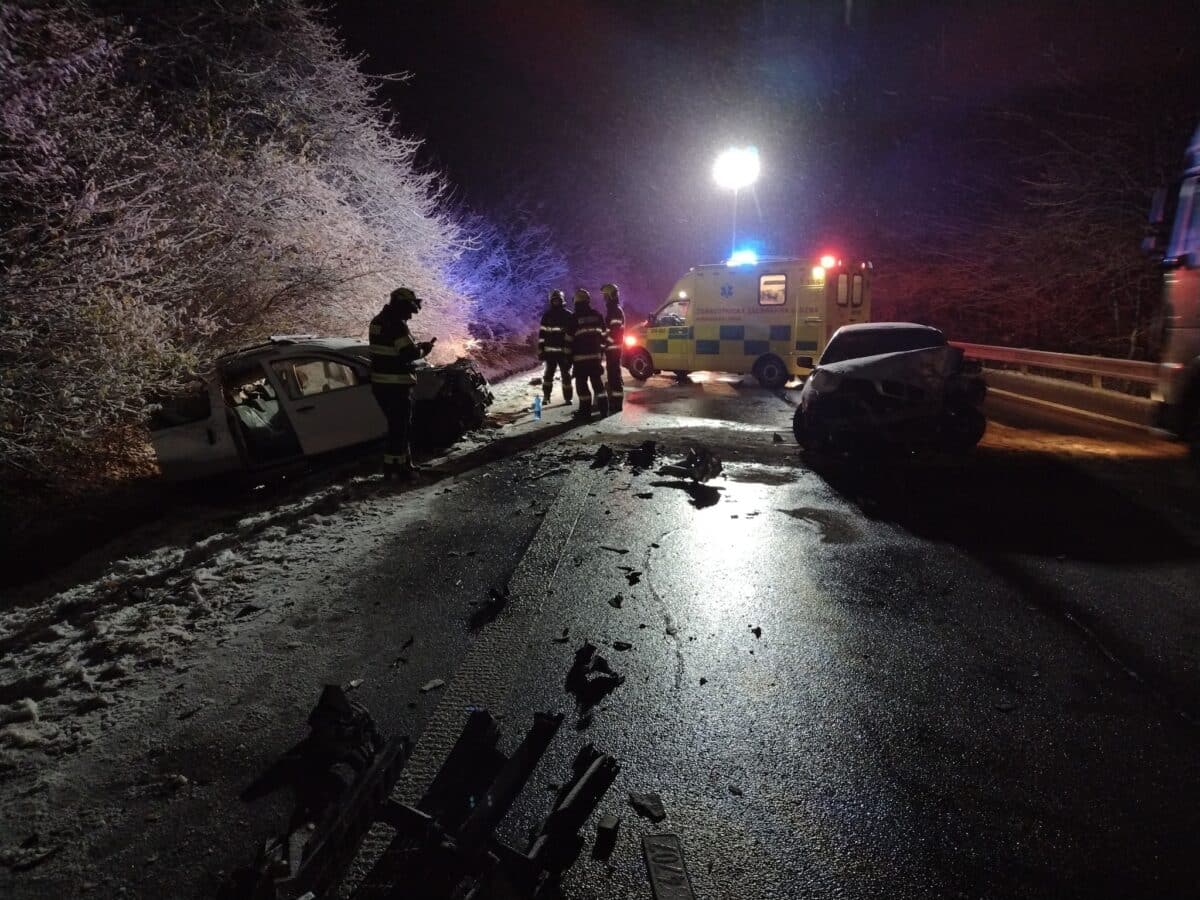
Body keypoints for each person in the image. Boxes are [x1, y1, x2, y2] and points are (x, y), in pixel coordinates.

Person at [369, 287, 435, 480]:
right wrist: (424, 349)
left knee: (398, 427)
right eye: (409, 309)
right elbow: (408, 354)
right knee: (400, 428)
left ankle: (399, 466)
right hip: (395, 386)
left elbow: (392, 349)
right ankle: (398, 470)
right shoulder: (396, 325)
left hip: (381, 385)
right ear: (401, 305)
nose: (411, 315)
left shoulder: (378, 321)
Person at [567, 288, 608, 418]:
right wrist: (600, 351)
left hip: (580, 360)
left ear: (576, 302)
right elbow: (604, 335)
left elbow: (568, 340)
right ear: (588, 300)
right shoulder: (597, 315)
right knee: (598, 384)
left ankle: (585, 412)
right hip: (595, 358)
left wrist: (568, 358)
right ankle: (604, 409)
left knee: (582, 386)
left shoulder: (574, 318)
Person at [537, 289, 575, 405]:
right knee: (548, 376)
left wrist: (572, 350)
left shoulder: (568, 315)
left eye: (558, 300)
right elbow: (542, 334)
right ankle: (546, 397)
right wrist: (541, 350)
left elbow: (573, 334)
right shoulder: (547, 316)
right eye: (554, 300)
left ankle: (568, 398)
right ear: (551, 301)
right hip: (550, 353)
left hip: (564, 352)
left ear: (562, 300)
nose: (556, 302)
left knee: (566, 376)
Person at [600, 283, 625, 413]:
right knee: (613, 375)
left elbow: (613, 333)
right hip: (612, 348)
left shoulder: (615, 310)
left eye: (605, 296)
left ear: (610, 296)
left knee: (614, 376)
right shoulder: (613, 309)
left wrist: (605, 342)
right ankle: (615, 402)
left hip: (614, 348)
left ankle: (617, 404)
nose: (604, 298)